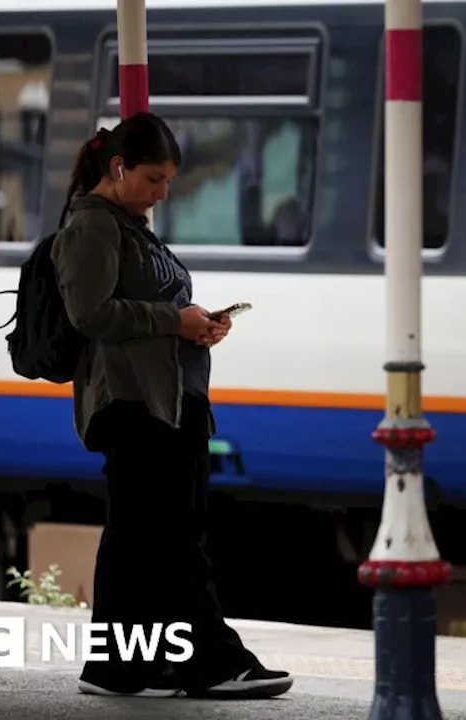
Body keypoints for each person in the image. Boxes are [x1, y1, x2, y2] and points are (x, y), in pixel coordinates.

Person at [50, 113, 292, 699]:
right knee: (172, 537)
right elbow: (90, 313)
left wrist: (196, 327)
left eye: (167, 182)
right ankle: (210, 661)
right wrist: (172, 321)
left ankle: (121, 667)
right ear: (119, 168)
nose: (163, 193)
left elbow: (142, 308)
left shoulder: (131, 227)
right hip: (134, 404)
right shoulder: (92, 226)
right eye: (154, 179)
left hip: (164, 401)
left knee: (139, 538)